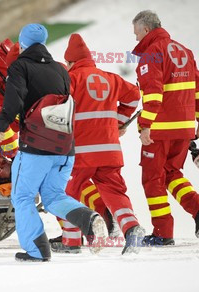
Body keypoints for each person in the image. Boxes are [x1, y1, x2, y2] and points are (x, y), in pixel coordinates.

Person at [0, 23, 108, 262]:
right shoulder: (61, 69)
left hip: (36, 147)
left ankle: (37, 251)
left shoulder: (20, 66)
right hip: (65, 147)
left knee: (22, 197)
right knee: (54, 196)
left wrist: (0, 127)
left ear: (22, 44)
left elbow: (13, 100)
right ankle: (89, 219)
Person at [52, 33, 145, 255]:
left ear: (71, 62)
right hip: (110, 150)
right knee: (115, 192)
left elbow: (58, 107)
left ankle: (71, 241)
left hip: (81, 151)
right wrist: (118, 122)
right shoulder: (110, 78)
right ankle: (131, 228)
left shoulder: (70, 79)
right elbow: (134, 96)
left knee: (68, 192)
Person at [132, 10, 199, 245]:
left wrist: (145, 125)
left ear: (146, 30)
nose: (136, 39)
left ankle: (163, 233)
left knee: (152, 178)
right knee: (171, 173)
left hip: (161, 128)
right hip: (185, 127)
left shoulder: (152, 54)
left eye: (136, 33)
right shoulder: (184, 51)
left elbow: (154, 92)